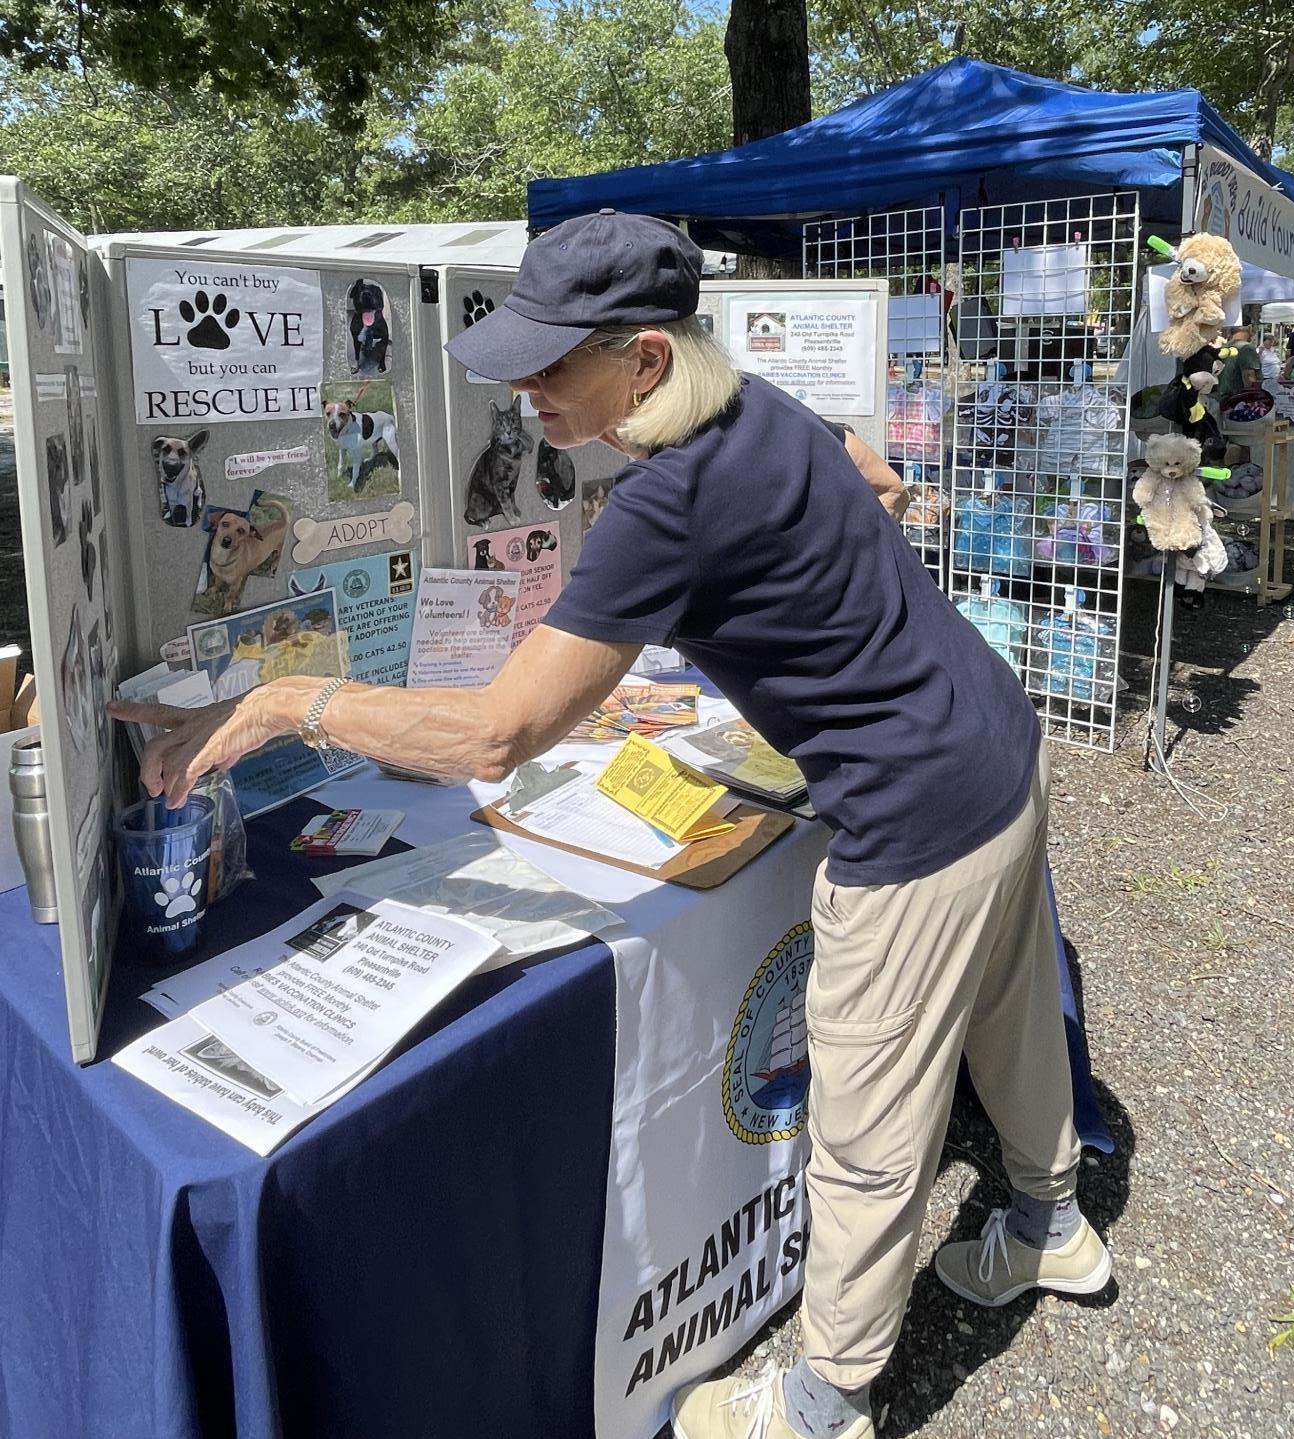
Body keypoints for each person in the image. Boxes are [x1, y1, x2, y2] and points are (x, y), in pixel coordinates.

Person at [112, 211, 1109, 1439]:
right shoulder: (751, 403)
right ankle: (1049, 1223)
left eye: (549, 365)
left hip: (908, 816)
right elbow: (876, 476)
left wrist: (286, 698)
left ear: (641, 360)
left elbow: (492, 737)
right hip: (993, 746)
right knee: (1009, 1012)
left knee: (864, 1119)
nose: (524, 391)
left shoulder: (667, 496)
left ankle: (820, 1402)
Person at [1218, 326, 1263, 401]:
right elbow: (1248, 376)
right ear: (1249, 328)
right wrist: (1253, 400)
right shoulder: (1246, 347)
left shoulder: (1224, 347)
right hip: (1237, 400)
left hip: (1223, 398)